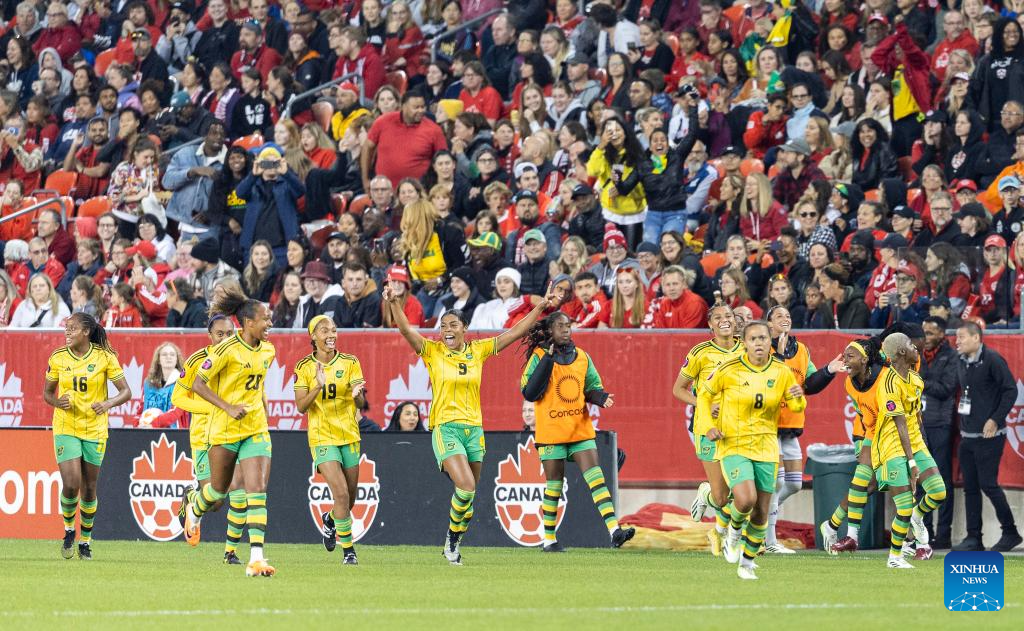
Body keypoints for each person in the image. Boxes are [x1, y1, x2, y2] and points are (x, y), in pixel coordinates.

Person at [381, 280, 561, 565]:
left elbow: (515, 332)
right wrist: (393, 302)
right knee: (465, 487)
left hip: (474, 430)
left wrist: (540, 307)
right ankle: (451, 542)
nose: (447, 330)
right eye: (443, 326)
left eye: (453, 325)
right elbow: (405, 330)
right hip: (446, 428)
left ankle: (454, 541)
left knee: (468, 499)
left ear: (465, 328)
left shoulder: (478, 350)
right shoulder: (432, 351)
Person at [697, 320, 806, 580]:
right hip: (734, 444)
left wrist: (798, 398)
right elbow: (704, 395)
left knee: (760, 512)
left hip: (766, 446)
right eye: (753, 339)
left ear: (770, 342)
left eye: (763, 338)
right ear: (744, 343)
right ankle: (733, 535)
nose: (759, 343)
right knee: (746, 500)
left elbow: (796, 407)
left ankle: (746, 564)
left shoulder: (781, 371)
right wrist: (708, 426)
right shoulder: (729, 369)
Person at [182, 286, 278, 577]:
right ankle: (194, 508)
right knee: (217, 492)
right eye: (265, 319)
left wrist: (261, 407)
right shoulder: (225, 350)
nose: (270, 323)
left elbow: (256, 386)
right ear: (248, 323)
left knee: (256, 490)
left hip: (255, 428)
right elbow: (197, 384)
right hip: (224, 430)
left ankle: (256, 558)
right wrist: (227, 407)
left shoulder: (269, 350)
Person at [520, 311, 635, 551]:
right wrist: (547, 359)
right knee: (554, 485)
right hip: (551, 431)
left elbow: (591, 387)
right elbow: (529, 392)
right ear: (549, 331)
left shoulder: (582, 356)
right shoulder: (539, 356)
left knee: (597, 478)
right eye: (560, 326)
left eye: (568, 325)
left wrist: (600, 397)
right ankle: (549, 539)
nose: (566, 330)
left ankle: (614, 531)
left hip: (579, 428)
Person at [42, 313, 131, 560]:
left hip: (95, 429)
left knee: (89, 488)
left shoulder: (105, 357)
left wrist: (108, 403)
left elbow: (126, 391)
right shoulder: (58, 357)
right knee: (71, 484)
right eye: (66, 328)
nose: (67, 332)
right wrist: (58, 402)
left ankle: (86, 541)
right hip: (66, 427)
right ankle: (69, 530)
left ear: (86, 332)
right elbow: (47, 393)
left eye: (72, 328)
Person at [763, 305, 843, 552]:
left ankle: (760, 512)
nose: (785, 318)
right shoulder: (762, 347)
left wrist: (828, 371)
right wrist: (778, 355)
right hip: (768, 424)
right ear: (769, 324)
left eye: (788, 315)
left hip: (791, 423)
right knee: (776, 483)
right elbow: (765, 379)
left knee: (794, 484)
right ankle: (769, 540)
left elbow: (808, 384)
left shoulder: (801, 349)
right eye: (779, 316)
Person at [170, 315, 249, 563]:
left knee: (239, 492)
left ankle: (230, 552)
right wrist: (213, 409)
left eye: (229, 334)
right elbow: (177, 398)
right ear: (210, 336)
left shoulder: (242, 358)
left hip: (232, 434)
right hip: (204, 436)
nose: (224, 338)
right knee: (216, 500)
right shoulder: (197, 360)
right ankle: (192, 498)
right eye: (219, 334)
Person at [294, 315, 366, 565]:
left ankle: (330, 519)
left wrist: (357, 396)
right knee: (342, 494)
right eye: (324, 330)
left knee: (350, 499)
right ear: (313, 336)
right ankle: (349, 552)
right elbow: (301, 407)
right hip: (322, 436)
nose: (331, 334)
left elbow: (362, 403)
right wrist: (317, 386)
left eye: (334, 330)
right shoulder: (304, 367)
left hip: (349, 434)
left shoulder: (350, 362)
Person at [872, 332, 948, 567]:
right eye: (909, 344)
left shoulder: (916, 379)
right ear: (901, 352)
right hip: (892, 445)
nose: (916, 346)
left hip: (915, 442)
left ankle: (918, 515)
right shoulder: (888, 383)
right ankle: (895, 557)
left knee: (938, 492)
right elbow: (900, 423)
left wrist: (921, 447)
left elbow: (916, 417)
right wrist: (912, 462)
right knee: (904, 506)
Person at [673, 301, 741, 555]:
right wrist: (704, 403)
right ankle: (706, 495)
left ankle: (734, 538)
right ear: (710, 325)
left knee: (744, 487)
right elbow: (678, 389)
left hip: (739, 429)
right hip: (708, 428)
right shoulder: (700, 353)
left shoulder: (746, 350)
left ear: (735, 321)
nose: (725, 320)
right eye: (718, 317)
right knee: (721, 497)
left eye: (729, 315)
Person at [952, 322, 1022, 552]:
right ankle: (974, 537)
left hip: (990, 436)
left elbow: (1010, 390)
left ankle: (1010, 532)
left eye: (962, 337)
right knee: (970, 487)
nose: (957, 341)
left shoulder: (992, 359)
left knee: (988, 484)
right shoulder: (960, 361)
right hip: (967, 436)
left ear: (976, 338)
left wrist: (995, 419)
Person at [820, 339, 885, 554]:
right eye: (844, 355)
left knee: (873, 486)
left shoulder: (884, 378)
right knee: (862, 484)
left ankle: (832, 525)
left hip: (893, 437)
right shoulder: (849, 383)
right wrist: (859, 440)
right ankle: (851, 536)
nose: (844, 361)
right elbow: (860, 414)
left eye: (850, 356)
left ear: (865, 360)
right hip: (870, 436)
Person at [361, 91, 448, 194]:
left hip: (418, 193)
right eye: (416, 107)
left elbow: (444, 159)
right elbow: (367, 147)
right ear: (403, 106)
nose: (421, 111)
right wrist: (365, 179)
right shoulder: (383, 121)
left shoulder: (434, 130)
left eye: (423, 107)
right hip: (384, 192)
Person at [143, 342, 183, 413]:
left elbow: (178, 412)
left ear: (177, 359)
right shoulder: (148, 383)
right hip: (149, 420)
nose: (168, 357)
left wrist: (157, 420)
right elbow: (142, 407)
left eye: (172, 354)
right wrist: (139, 419)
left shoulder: (183, 382)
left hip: (171, 420)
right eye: (164, 354)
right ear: (158, 360)